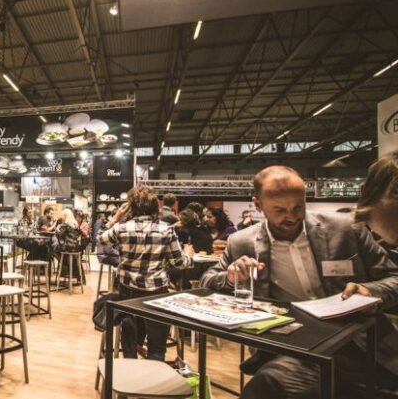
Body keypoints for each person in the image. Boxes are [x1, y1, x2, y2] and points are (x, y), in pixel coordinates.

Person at [200, 165, 398, 399]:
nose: (291, 216)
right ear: (258, 205)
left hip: (362, 344)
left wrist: (369, 290)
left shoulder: (345, 229)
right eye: (280, 210)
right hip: (294, 348)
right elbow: (208, 280)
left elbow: (393, 277)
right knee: (267, 387)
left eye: (298, 206)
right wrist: (231, 276)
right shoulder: (242, 241)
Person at [100, 185, 193, 361]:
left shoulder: (122, 228)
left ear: (131, 207)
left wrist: (115, 218)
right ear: (154, 206)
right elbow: (179, 263)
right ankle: (152, 380)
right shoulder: (166, 229)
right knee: (157, 349)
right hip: (155, 294)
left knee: (130, 344)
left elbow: (100, 239)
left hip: (127, 294)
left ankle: (131, 378)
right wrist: (189, 256)